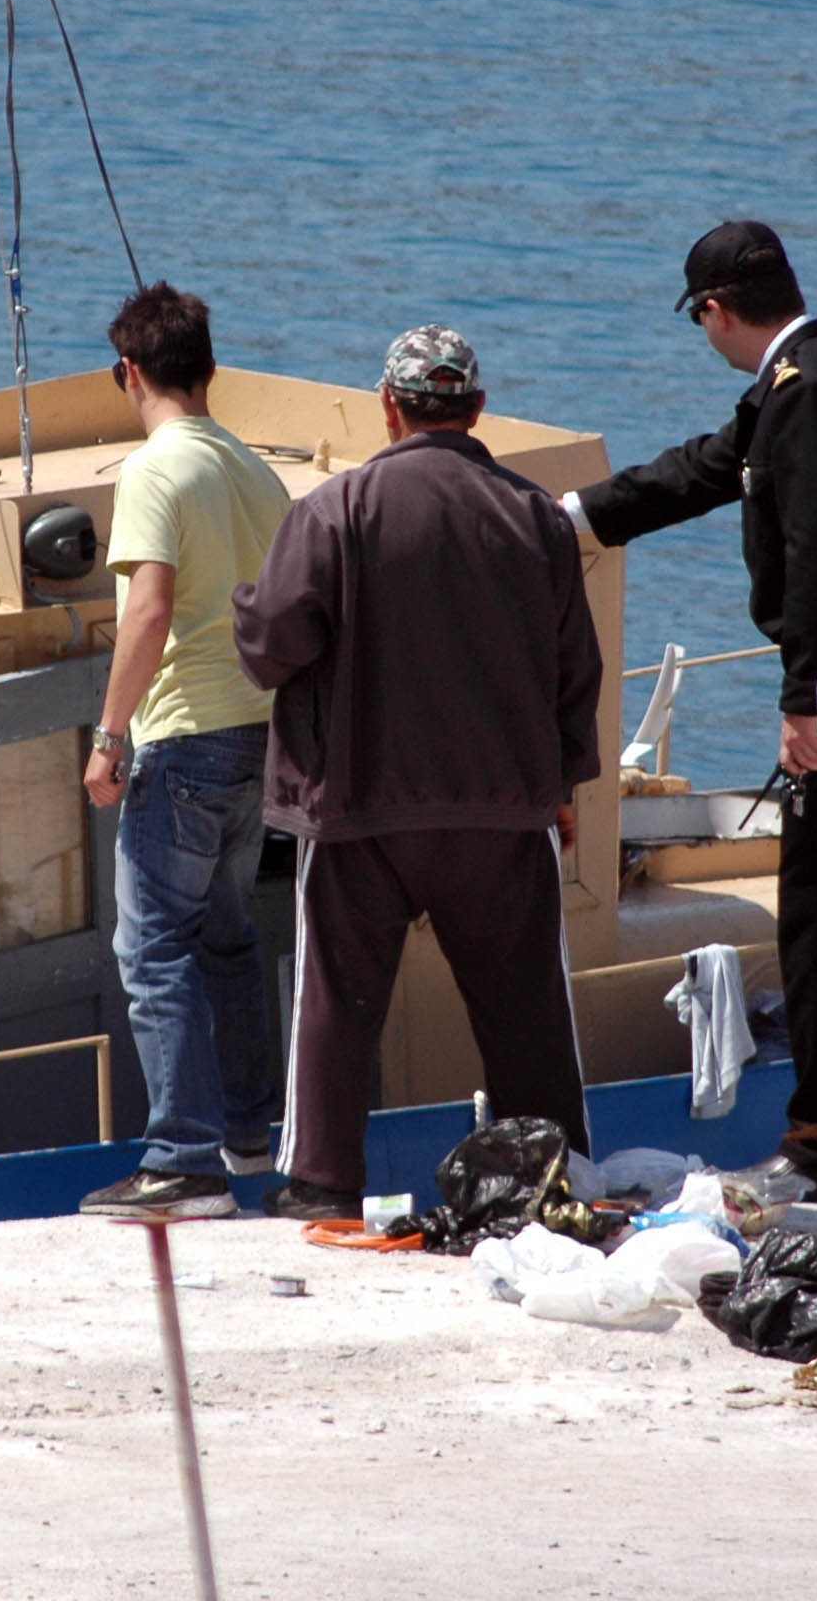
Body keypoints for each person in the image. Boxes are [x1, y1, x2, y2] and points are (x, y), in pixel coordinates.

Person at [568, 221, 817, 1194]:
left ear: (712, 309)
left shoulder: (813, 399)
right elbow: (709, 465)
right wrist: (574, 515)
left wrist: (803, 694)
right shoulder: (815, 380)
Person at [234, 325, 604, 1219]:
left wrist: (244, 604)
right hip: (501, 811)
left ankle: (323, 1185)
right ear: (476, 409)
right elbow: (574, 671)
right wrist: (563, 787)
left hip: (360, 809)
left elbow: (270, 647)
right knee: (525, 1015)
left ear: (389, 408)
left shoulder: (334, 510)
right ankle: (549, 1177)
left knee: (337, 1002)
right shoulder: (535, 516)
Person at [76, 284, 295, 1220]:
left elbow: (150, 612)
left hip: (183, 741)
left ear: (130, 373)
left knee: (152, 950)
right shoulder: (257, 473)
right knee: (229, 939)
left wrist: (107, 737)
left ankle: (182, 1160)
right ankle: (252, 1134)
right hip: (258, 736)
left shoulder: (154, 470)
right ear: (208, 369)